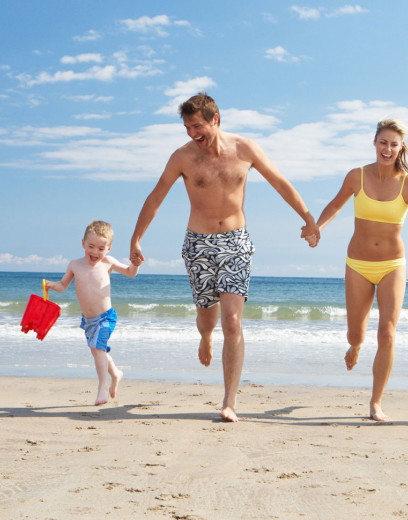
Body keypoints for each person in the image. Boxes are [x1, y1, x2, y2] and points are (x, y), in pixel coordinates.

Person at [129, 92, 319, 422]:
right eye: (187, 127)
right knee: (208, 318)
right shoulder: (182, 157)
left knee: (232, 321)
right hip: (198, 244)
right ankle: (205, 336)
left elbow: (279, 182)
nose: (192, 134)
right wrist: (136, 238)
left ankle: (229, 401)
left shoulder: (245, 148)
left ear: (215, 119)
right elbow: (156, 196)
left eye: (197, 126)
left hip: (236, 241)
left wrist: (308, 218)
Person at [316, 119, 408, 422]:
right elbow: (334, 205)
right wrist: (317, 227)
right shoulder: (356, 176)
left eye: (393, 144)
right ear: (374, 143)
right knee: (355, 333)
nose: (388, 149)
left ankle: (375, 402)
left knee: (387, 333)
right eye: (383, 142)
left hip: (392, 266)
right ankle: (355, 346)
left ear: (400, 148)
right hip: (357, 265)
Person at [46, 220, 139, 406]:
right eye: (91, 247)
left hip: (106, 317)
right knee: (99, 351)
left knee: (97, 350)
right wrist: (50, 285)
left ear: (109, 248)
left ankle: (102, 387)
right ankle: (116, 374)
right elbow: (63, 285)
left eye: (101, 248)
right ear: (83, 244)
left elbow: (130, 273)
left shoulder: (108, 262)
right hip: (88, 320)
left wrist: (135, 263)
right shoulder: (74, 265)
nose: (95, 252)